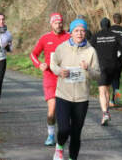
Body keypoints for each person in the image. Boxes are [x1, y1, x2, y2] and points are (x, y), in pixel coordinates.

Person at [50, 18, 100, 160]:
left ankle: (72, 157)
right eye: (76, 31)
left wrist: (88, 69)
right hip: (63, 95)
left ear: (86, 33)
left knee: (76, 133)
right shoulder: (62, 48)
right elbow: (53, 64)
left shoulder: (91, 51)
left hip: (81, 98)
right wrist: (59, 71)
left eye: (82, 31)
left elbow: (97, 75)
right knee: (64, 129)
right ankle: (59, 147)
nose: (79, 33)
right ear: (71, 33)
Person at [30, 13, 70, 146]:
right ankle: (51, 135)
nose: (59, 25)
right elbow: (33, 54)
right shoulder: (45, 38)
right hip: (50, 77)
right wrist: (39, 64)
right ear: (51, 24)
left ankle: (64, 133)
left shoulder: (69, 37)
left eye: (60, 22)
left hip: (66, 78)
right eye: (56, 23)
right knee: (52, 111)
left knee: (65, 111)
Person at [91, 17, 122, 126]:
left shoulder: (96, 36)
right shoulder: (115, 35)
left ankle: (105, 113)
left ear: (100, 25)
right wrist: (120, 54)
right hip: (114, 66)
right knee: (107, 89)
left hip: (101, 66)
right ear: (110, 25)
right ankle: (109, 107)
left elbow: (88, 48)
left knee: (102, 90)